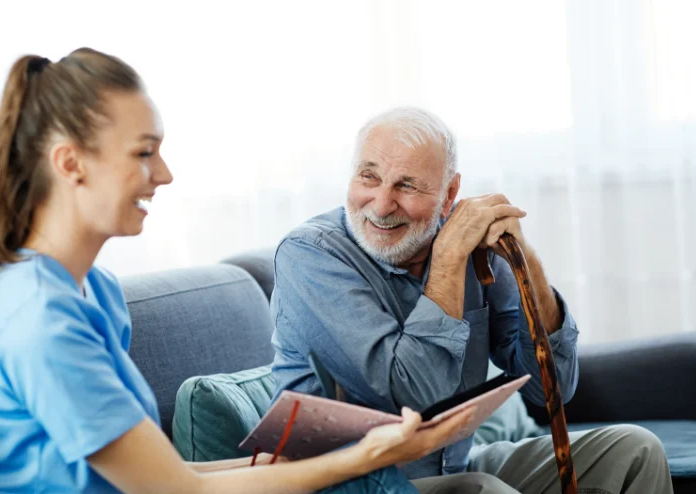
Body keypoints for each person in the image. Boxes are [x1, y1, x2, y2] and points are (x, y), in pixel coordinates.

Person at [0, 50, 478, 494]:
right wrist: (371, 453)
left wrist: (267, 468)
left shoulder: (95, 293)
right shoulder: (40, 321)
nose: (164, 174)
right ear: (70, 163)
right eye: (144, 153)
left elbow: (162, 476)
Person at [270, 107, 674, 493]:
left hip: (456, 469)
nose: (381, 203)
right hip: (358, 483)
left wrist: (523, 255)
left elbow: (553, 388)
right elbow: (414, 396)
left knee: (634, 450)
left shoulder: (468, 245)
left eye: (406, 185)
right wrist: (447, 259)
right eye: (368, 177)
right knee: (482, 490)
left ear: (449, 195)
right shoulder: (310, 255)